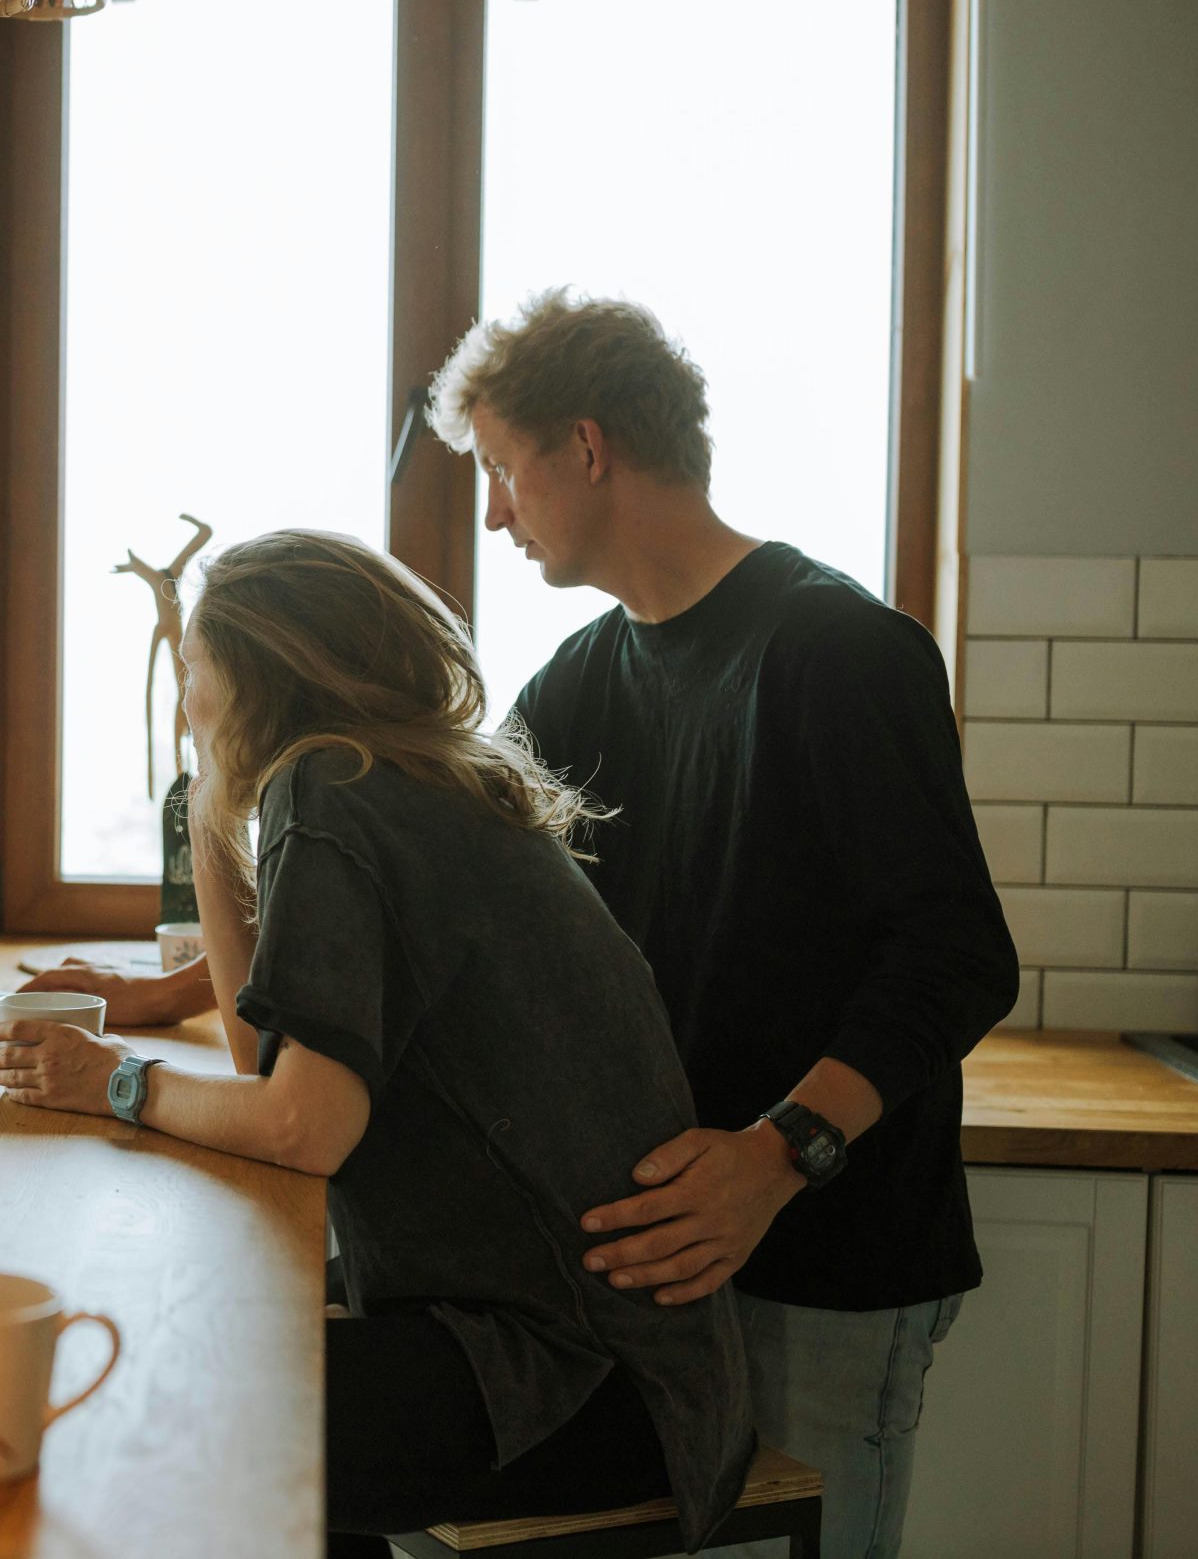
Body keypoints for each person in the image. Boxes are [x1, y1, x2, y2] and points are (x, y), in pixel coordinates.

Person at [0, 530, 754, 1557]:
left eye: (196, 672)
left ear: (255, 673)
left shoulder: (331, 788)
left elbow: (305, 1125)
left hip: (565, 1380)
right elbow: (269, 1063)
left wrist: (117, 1083)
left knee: (134, 1407)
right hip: (630, 1371)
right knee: (211, 1358)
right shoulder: (413, 778)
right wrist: (215, 795)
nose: (186, 703)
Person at [424, 290, 1019, 1559]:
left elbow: (958, 957)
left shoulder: (840, 651)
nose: (490, 512)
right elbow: (448, 887)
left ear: (584, 449)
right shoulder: (584, 675)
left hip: (826, 1256)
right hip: (666, 1267)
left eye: (496, 468)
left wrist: (772, 1157)